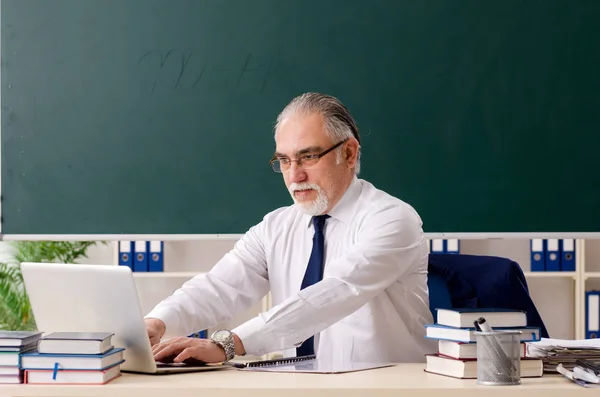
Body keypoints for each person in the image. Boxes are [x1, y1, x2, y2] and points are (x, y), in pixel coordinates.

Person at [145, 92, 436, 365]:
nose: (294, 175)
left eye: (308, 157)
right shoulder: (276, 226)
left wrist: (227, 344)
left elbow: (333, 294)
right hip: (298, 385)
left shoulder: (392, 219)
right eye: (284, 160)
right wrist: (158, 322)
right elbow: (220, 286)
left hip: (387, 387)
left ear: (348, 154)